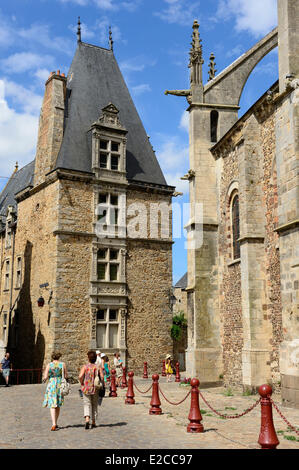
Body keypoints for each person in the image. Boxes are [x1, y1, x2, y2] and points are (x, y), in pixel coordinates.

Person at [42, 352, 68, 431]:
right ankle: (55, 423)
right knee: (58, 404)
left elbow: (45, 377)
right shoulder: (62, 364)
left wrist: (45, 377)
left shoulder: (49, 365)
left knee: (52, 404)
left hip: (52, 384)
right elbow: (66, 375)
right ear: (59, 357)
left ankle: (53, 423)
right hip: (59, 385)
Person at [79, 350, 104, 429]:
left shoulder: (85, 367)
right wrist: (102, 384)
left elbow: (80, 376)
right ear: (96, 358)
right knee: (94, 404)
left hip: (86, 387)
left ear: (88, 358)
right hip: (95, 388)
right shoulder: (97, 367)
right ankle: (93, 421)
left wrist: (82, 382)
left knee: (86, 403)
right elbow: (102, 377)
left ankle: (87, 419)